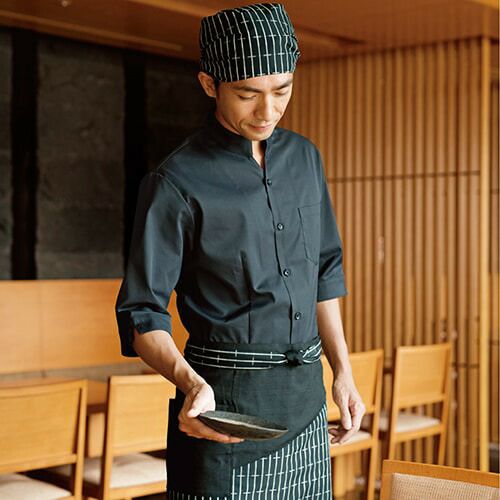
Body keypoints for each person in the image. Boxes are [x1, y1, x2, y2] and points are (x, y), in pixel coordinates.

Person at [115, 3, 365, 498]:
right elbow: (142, 311)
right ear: (209, 84)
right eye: (248, 94)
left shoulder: (305, 159)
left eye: (282, 90)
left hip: (307, 403)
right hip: (224, 412)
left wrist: (343, 371)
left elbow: (324, 270)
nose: (267, 111)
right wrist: (190, 384)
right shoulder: (175, 181)